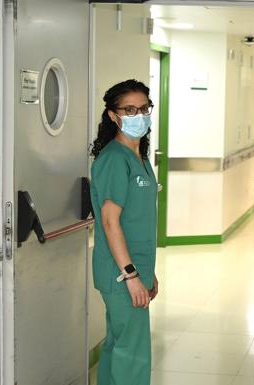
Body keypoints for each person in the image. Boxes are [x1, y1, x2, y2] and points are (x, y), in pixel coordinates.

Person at [90, 79, 158, 385]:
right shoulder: (115, 159)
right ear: (113, 116)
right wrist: (131, 275)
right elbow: (109, 221)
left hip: (133, 269)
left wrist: (147, 271)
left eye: (143, 108)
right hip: (121, 274)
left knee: (120, 345)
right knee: (133, 352)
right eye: (129, 109)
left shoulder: (139, 158)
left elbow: (139, 220)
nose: (139, 115)